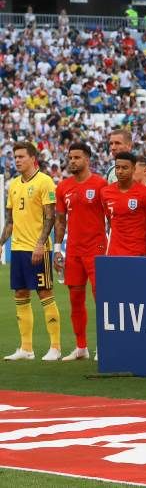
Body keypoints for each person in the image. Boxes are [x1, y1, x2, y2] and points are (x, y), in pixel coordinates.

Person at [0, 142, 61, 361]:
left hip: (38, 249)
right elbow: (10, 221)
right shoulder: (13, 185)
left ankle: (55, 347)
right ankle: (26, 349)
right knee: (20, 294)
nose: (17, 160)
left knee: (44, 293)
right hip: (18, 249)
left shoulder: (45, 182)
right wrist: (1, 242)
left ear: (33, 158)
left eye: (21, 156)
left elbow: (50, 217)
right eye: (15, 157)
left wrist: (40, 243)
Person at [53, 143, 107, 362]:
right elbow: (60, 220)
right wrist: (58, 249)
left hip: (97, 249)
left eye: (77, 157)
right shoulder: (63, 187)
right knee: (75, 299)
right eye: (70, 157)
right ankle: (81, 347)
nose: (72, 161)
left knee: (101, 299)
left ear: (87, 159)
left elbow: (111, 218)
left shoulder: (100, 184)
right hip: (73, 250)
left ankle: (104, 345)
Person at [101, 152, 146, 256]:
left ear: (133, 169)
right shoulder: (105, 192)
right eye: (117, 167)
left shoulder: (145, 193)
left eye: (125, 168)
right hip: (114, 253)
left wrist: (144, 246)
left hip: (138, 253)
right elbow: (110, 220)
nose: (120, 171)